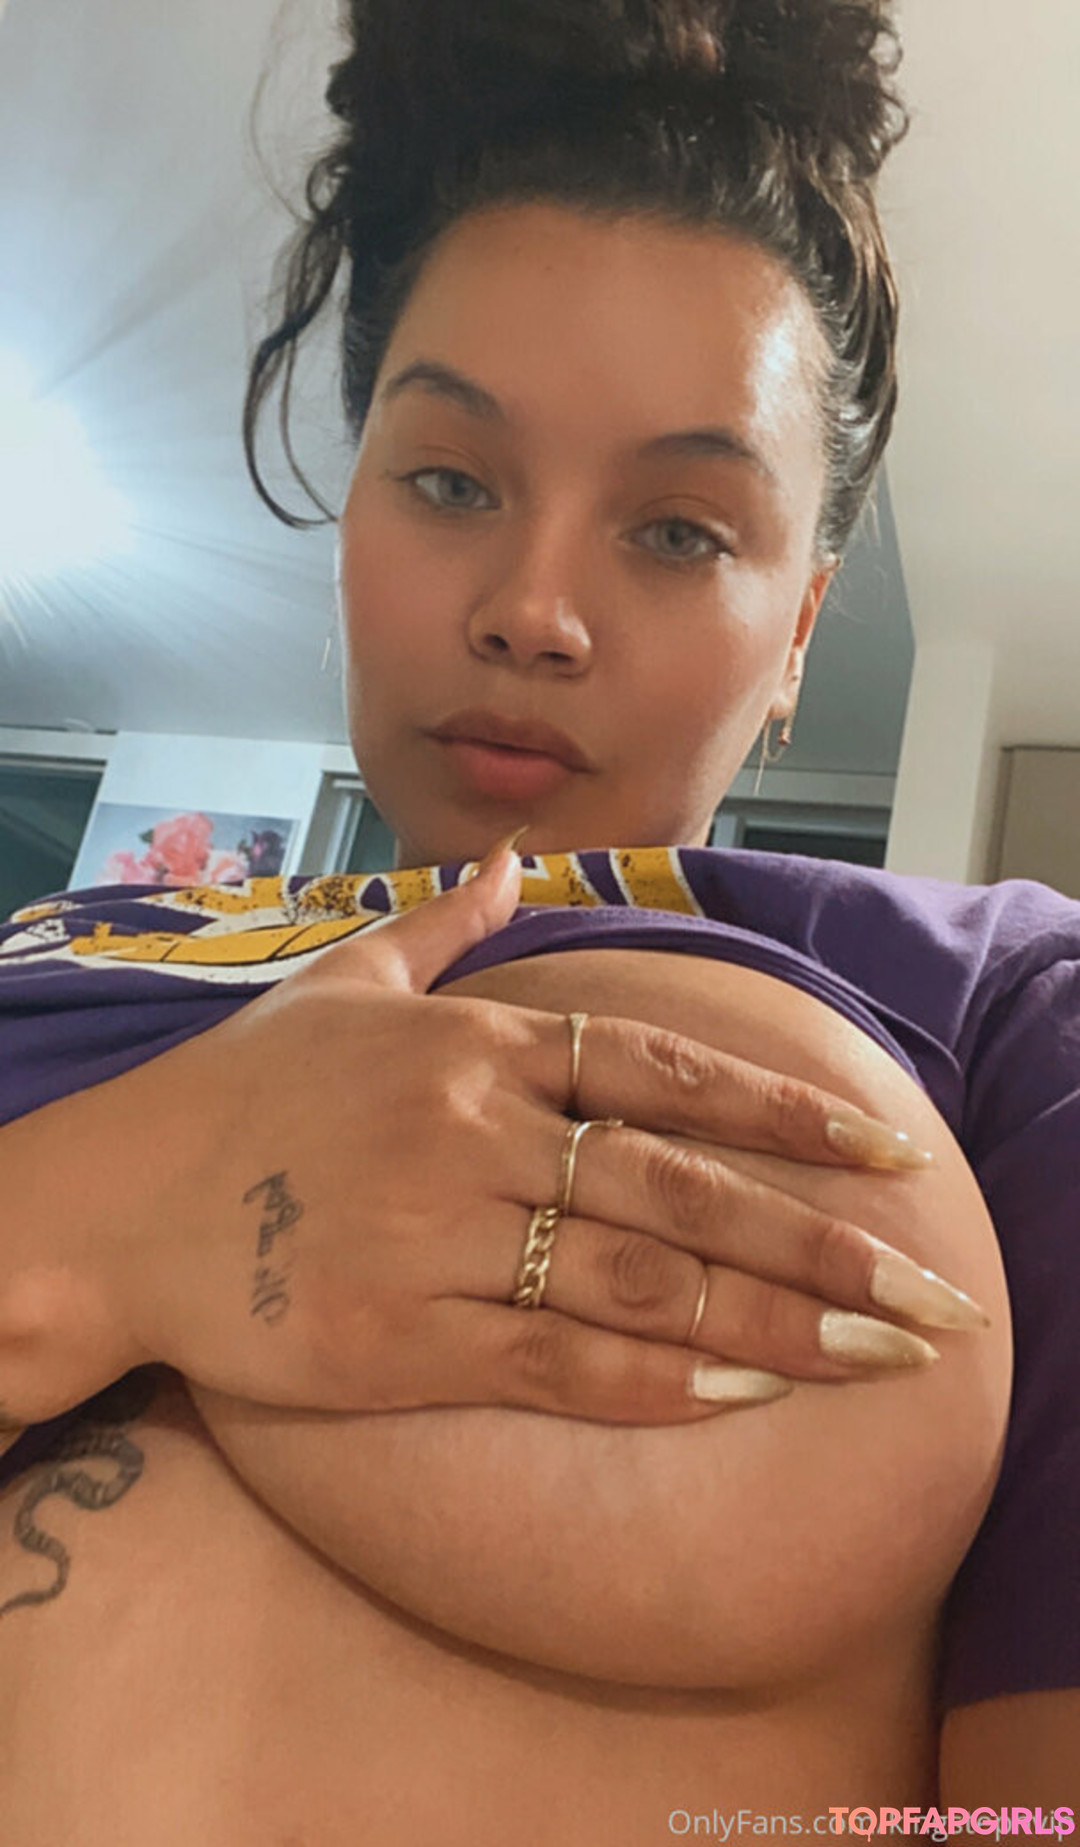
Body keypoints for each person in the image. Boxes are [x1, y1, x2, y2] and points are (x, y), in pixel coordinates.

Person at [0, 1, 1076, 1839]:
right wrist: (103, 1222)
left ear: (800, 632)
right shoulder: (50, 944)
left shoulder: (1004, 1000)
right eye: (449, 481)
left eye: (678, 531)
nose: (532, 608)